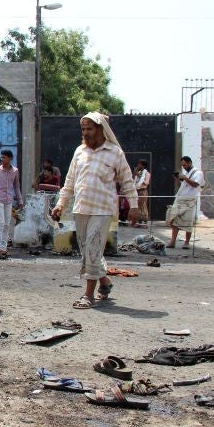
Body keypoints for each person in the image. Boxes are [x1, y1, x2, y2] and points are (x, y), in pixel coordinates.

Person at [51, 113, 138, 309]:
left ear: (101, 130)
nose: (86, 133)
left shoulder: (115, 152)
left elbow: (127, 181)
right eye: (83, 129)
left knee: (92, 248)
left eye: (90, 129)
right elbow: (70, 181)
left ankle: (88, 295)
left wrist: (134, 206)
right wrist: (60, 204)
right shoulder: (79, 152)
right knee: (88, 250)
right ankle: (104, 282)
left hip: (103, 209)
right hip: (81, 208)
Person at [0, 149, 22, 259]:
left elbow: (16, 187)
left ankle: (4, 249)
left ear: (10, 158)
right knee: (1, 223)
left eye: (4, 157)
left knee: (7, 224)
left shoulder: (15, 171)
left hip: (9, 200)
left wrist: (20, 200)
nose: (2, 159)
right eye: (1, 157)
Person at [167, 156, 204, 249]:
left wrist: (184, 178)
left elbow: (195, 184)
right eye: (182, 166)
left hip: (189, 201)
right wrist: (179, 178)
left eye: (184, 165)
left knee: (188, 222)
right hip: (180, 200)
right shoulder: (187, 173)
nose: (183, 167)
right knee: (174, 219)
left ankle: (187, 242)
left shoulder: (198, 173)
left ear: (189, 163)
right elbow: (186, 186)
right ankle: (173, 241)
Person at [130, 160, 151, 227]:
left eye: (139, 164)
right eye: (138, 164)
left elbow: (146, 183)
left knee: (142, 206)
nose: (138, 165)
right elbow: (132, 181)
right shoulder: (137, 172)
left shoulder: (147, 173)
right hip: (136, 191)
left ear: (143, 166)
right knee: (137, 206)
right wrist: (134, 174)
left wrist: (139, 175)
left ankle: (144, 223)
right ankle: (138, 222)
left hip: (143, 191)